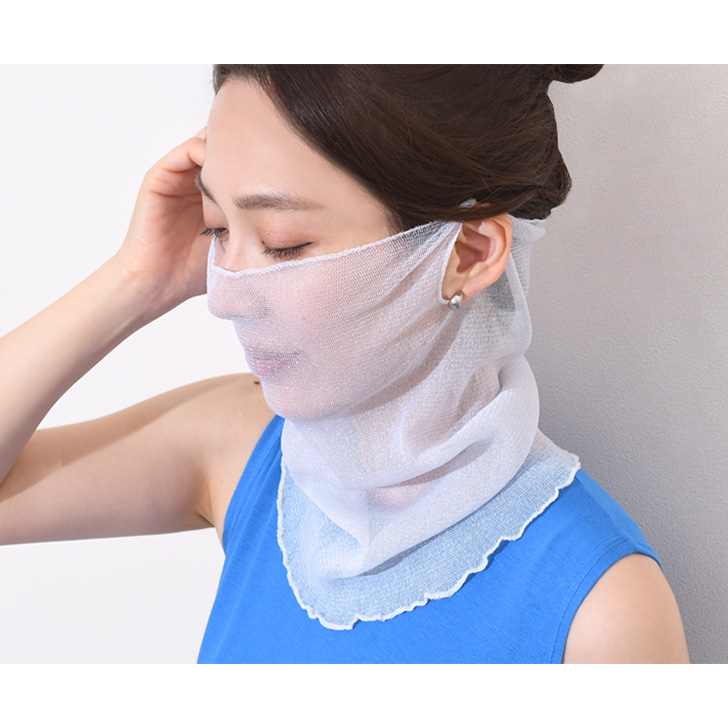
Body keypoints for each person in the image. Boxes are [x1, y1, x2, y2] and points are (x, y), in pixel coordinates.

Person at [0, 65, 689, 663]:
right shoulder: (243, 448)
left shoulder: (600, 608)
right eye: (217, 229)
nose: (224, 295)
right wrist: (137, 278)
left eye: (283, 243)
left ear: (468, 253)